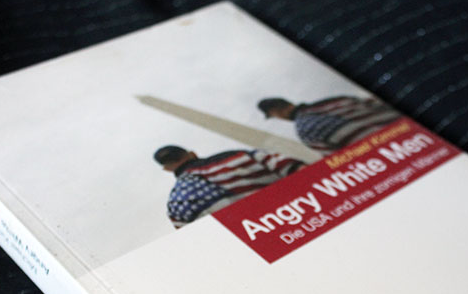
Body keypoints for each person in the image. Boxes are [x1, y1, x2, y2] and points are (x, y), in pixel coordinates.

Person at [154, 145, 304, 228]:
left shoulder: (175, 204)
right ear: (192, 153)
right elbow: (301, 170)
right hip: (302, 218)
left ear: (166, 169)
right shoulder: (240, 156)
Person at [257, 95, 402, 155]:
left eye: (275, 115)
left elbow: (340, 157)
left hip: (391, 151)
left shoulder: (305, 129)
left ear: (277, 112)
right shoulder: (337, 100)